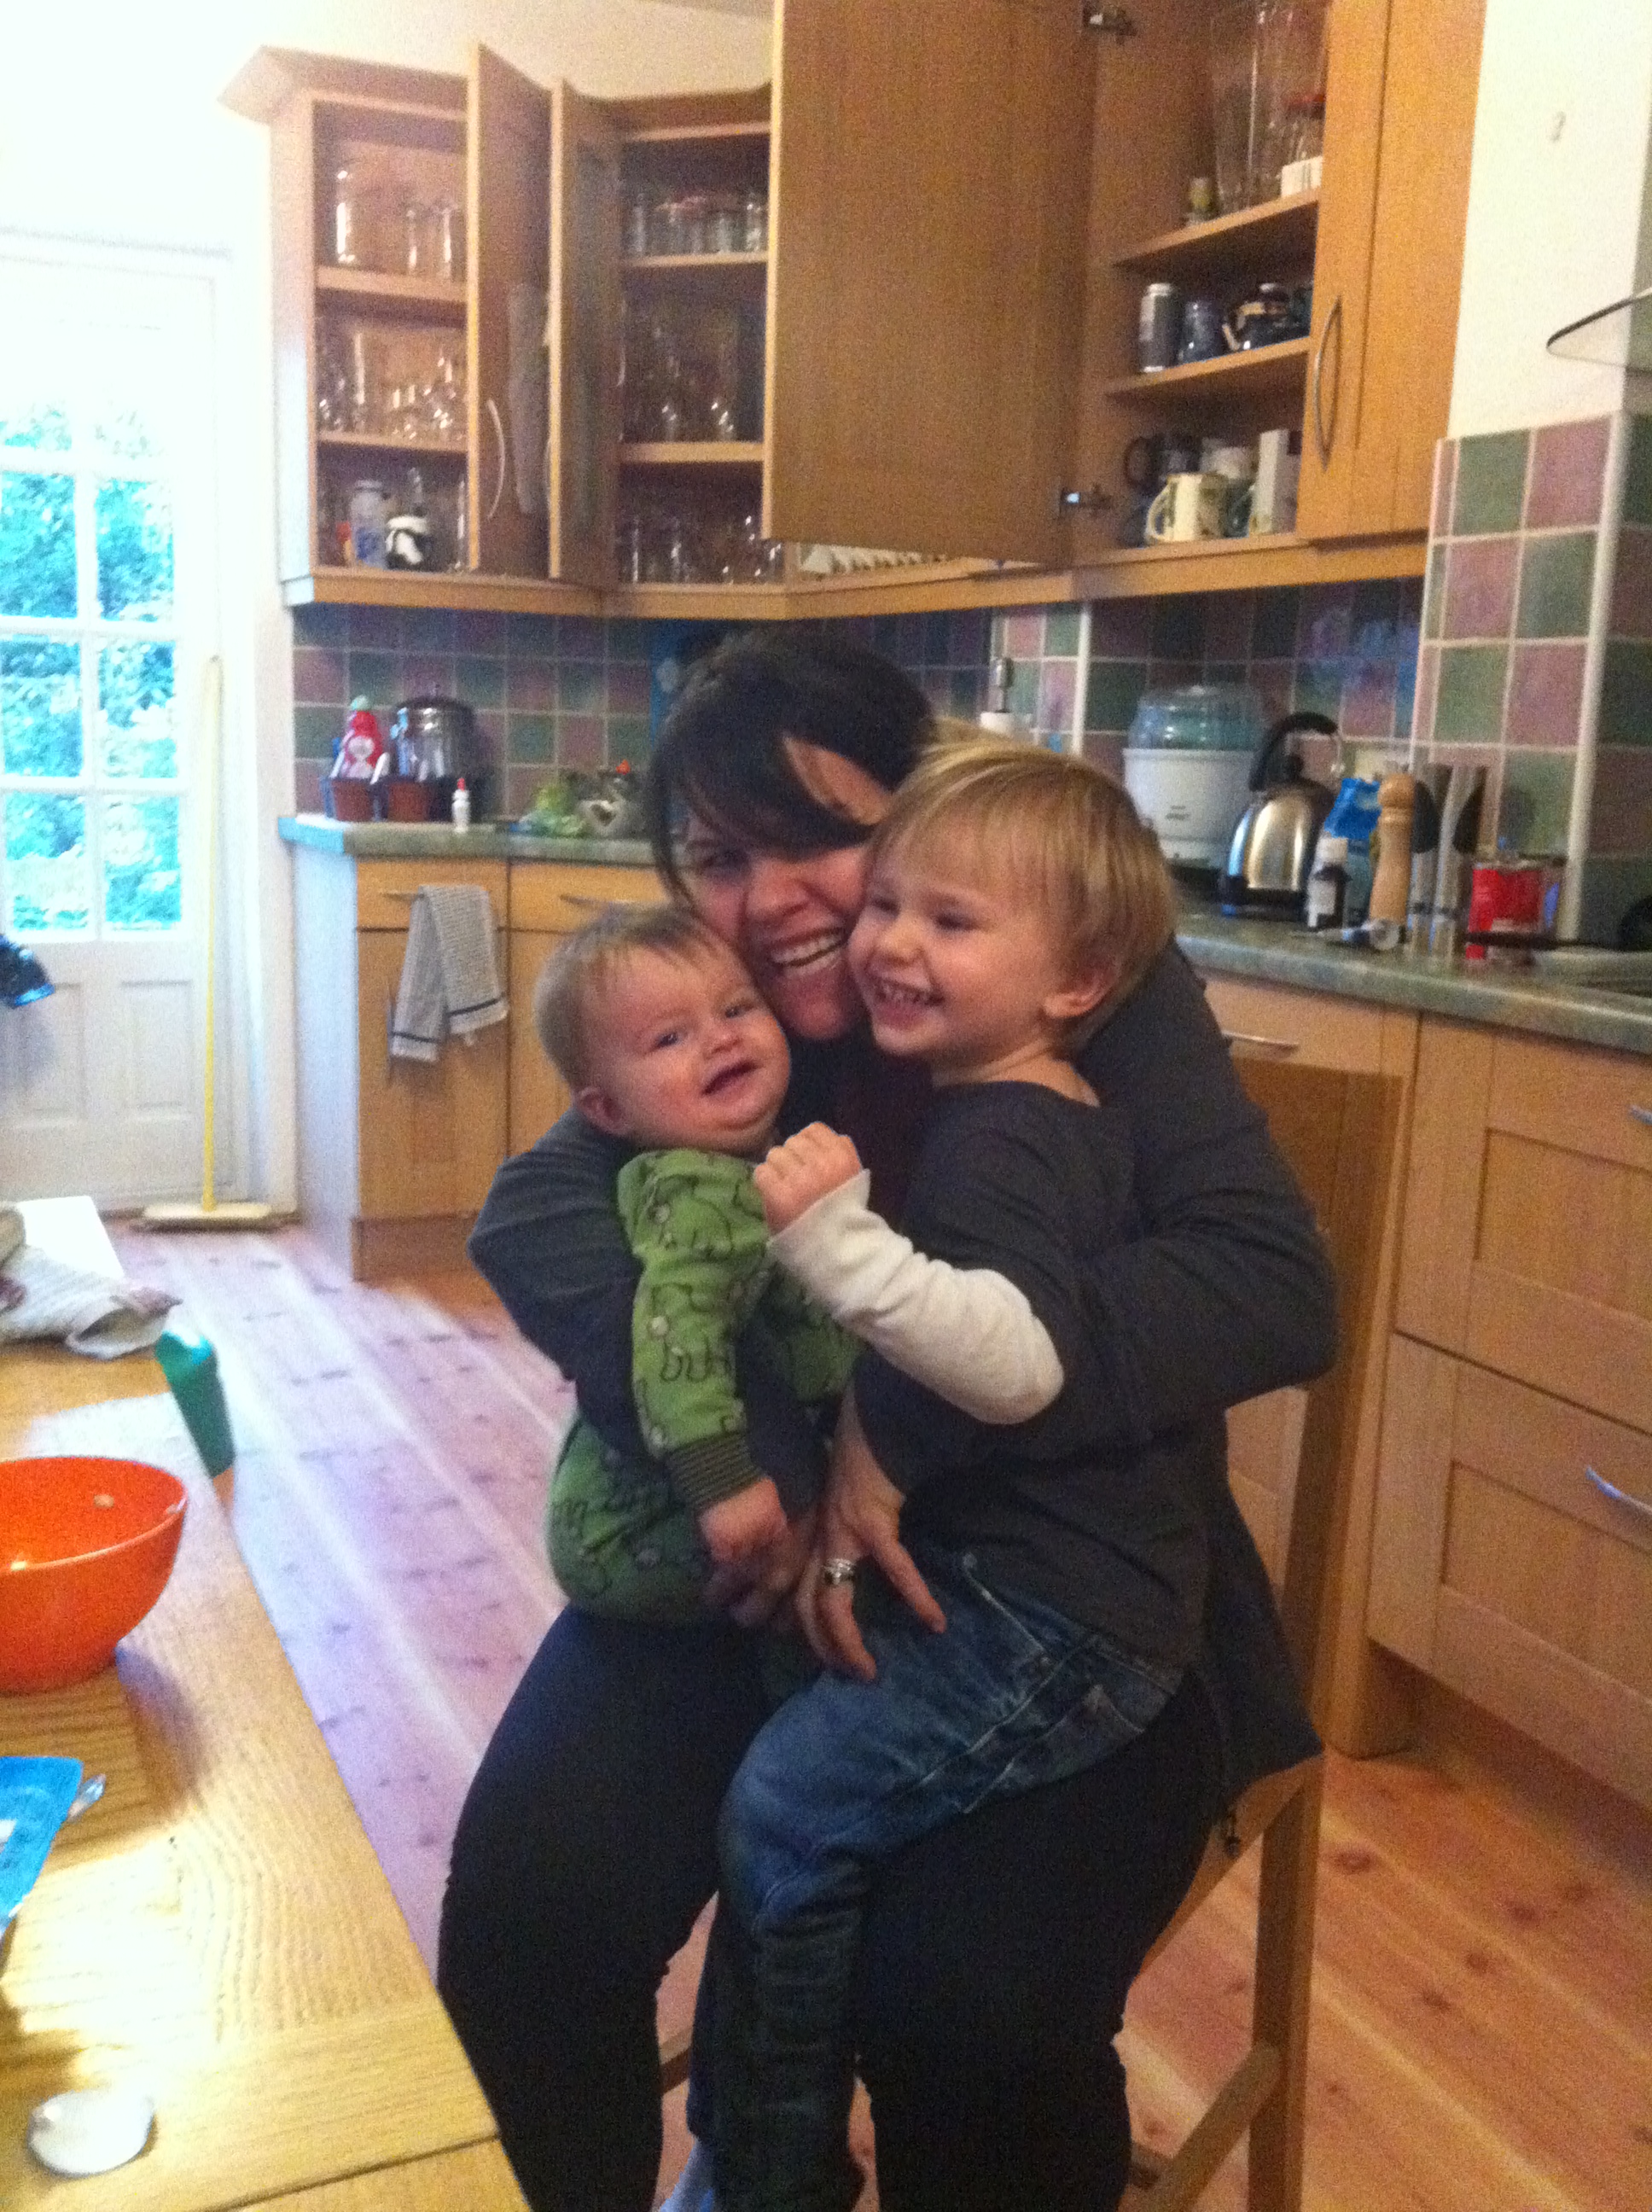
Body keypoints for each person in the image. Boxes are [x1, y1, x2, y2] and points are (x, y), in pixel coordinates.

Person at [439, 628, 1334, 2212]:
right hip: (771, 1573)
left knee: (969, 2007)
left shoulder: (1061, 968)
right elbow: (539, 1211)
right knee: (533, 1915)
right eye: (720, 857)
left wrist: (900, 1427)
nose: (774, 900)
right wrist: (786, 1476)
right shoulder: (719, 1016)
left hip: (1066, 1594)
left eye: (819, 837)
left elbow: (1272, 1286)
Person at [701, 737, 1207, 2212]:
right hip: (1053, 1593)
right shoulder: (1028, 1101)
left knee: (785, 1811)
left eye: (953, 920)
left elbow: (1018, 1362)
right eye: (891, 905)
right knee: (801, 1768)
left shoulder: (1004, 1141)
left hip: (1058, 1621)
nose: (893, 944)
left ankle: (770, 2176)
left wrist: (837, 1244)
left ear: (1076, 982)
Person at [530, 901, 856, 1624]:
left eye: (738, 1008)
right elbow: (677, 1330)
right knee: (825, 1592)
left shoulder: (753, 1159)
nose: (719, 1038)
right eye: (670, 1037)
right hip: (638, 1524)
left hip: (662, 1493)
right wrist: (723, 1482)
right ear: (608, 1112)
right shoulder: (700, 1190)